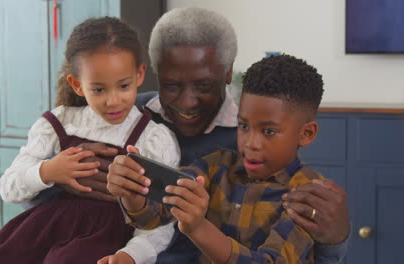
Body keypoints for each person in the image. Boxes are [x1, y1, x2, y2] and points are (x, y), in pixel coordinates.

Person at [40, 7, 350, 263]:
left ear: (227, 74)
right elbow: (152, 212)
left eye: (203, 86)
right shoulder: (121, 112)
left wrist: (336, 238)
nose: (187, 102)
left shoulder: (267, 159)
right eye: (172, 85)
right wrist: (124, 192)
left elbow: (313, 248)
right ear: (151, 72)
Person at [0, 17, 178, 264]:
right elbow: (8, 188)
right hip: (43, 229)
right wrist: (48, 171)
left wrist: (131, 255)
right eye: (99, 89)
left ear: (139, 75)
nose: (113, 100)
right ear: (77, 84)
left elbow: (161, 221)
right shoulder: (58, 123)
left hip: (105, 238)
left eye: (123, 85)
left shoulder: (154, 139)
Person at [109, 54, 327, 263]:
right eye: (243, 126)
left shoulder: (309, 197)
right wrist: (132, 192)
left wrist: (198, 228)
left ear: (306, 134)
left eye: (268, 131)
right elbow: (154, 215)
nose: (251, 143)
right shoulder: (216, 165)